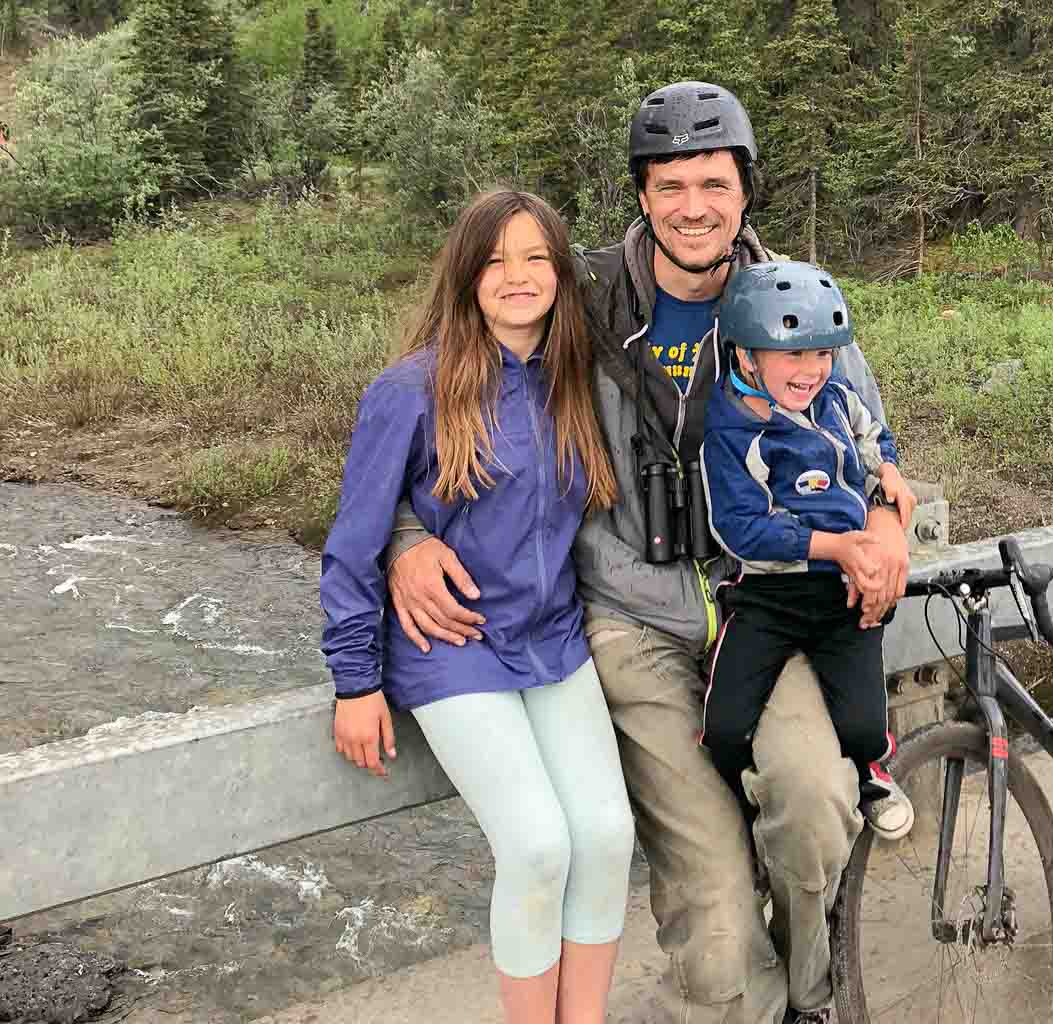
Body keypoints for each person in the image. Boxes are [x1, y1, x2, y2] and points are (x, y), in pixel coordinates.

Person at [384, 83, 916, 1024]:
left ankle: (809, 997)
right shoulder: (581, 299)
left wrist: (887, 521)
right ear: (641, 196)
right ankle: (739, 995)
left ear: (746, 191)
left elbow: (871, 442)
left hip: (775, 602)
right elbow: (433, 397)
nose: (694, 206)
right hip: (632, 622)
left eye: (713, 182)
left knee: (813, 804)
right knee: (713, 927)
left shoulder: (795, 297)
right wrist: (408, 540)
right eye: (670, 185)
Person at [319, 189, 635, 1024]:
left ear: (562, 275)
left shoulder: (577, 379)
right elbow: (352, 542)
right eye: (495, 260)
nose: (517, 276)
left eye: (536, 258)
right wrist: (355, 682)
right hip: (451, 646)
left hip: (554, 637)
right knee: (537, 847)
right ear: (465, 277)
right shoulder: (410, 390)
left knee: (605, 838)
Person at [700, 261, 915, 843]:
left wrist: (888, 473)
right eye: (793, 355)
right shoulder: (732, 429)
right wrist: (836, 545)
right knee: (723, 725)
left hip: (842, 591)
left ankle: (872, 774)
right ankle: (743, 814)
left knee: (862, 724)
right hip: (767, 596)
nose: (812, 370)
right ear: (746, 356)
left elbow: (875, 433)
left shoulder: (835, 398)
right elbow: (740, 528)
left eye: (822, 354)